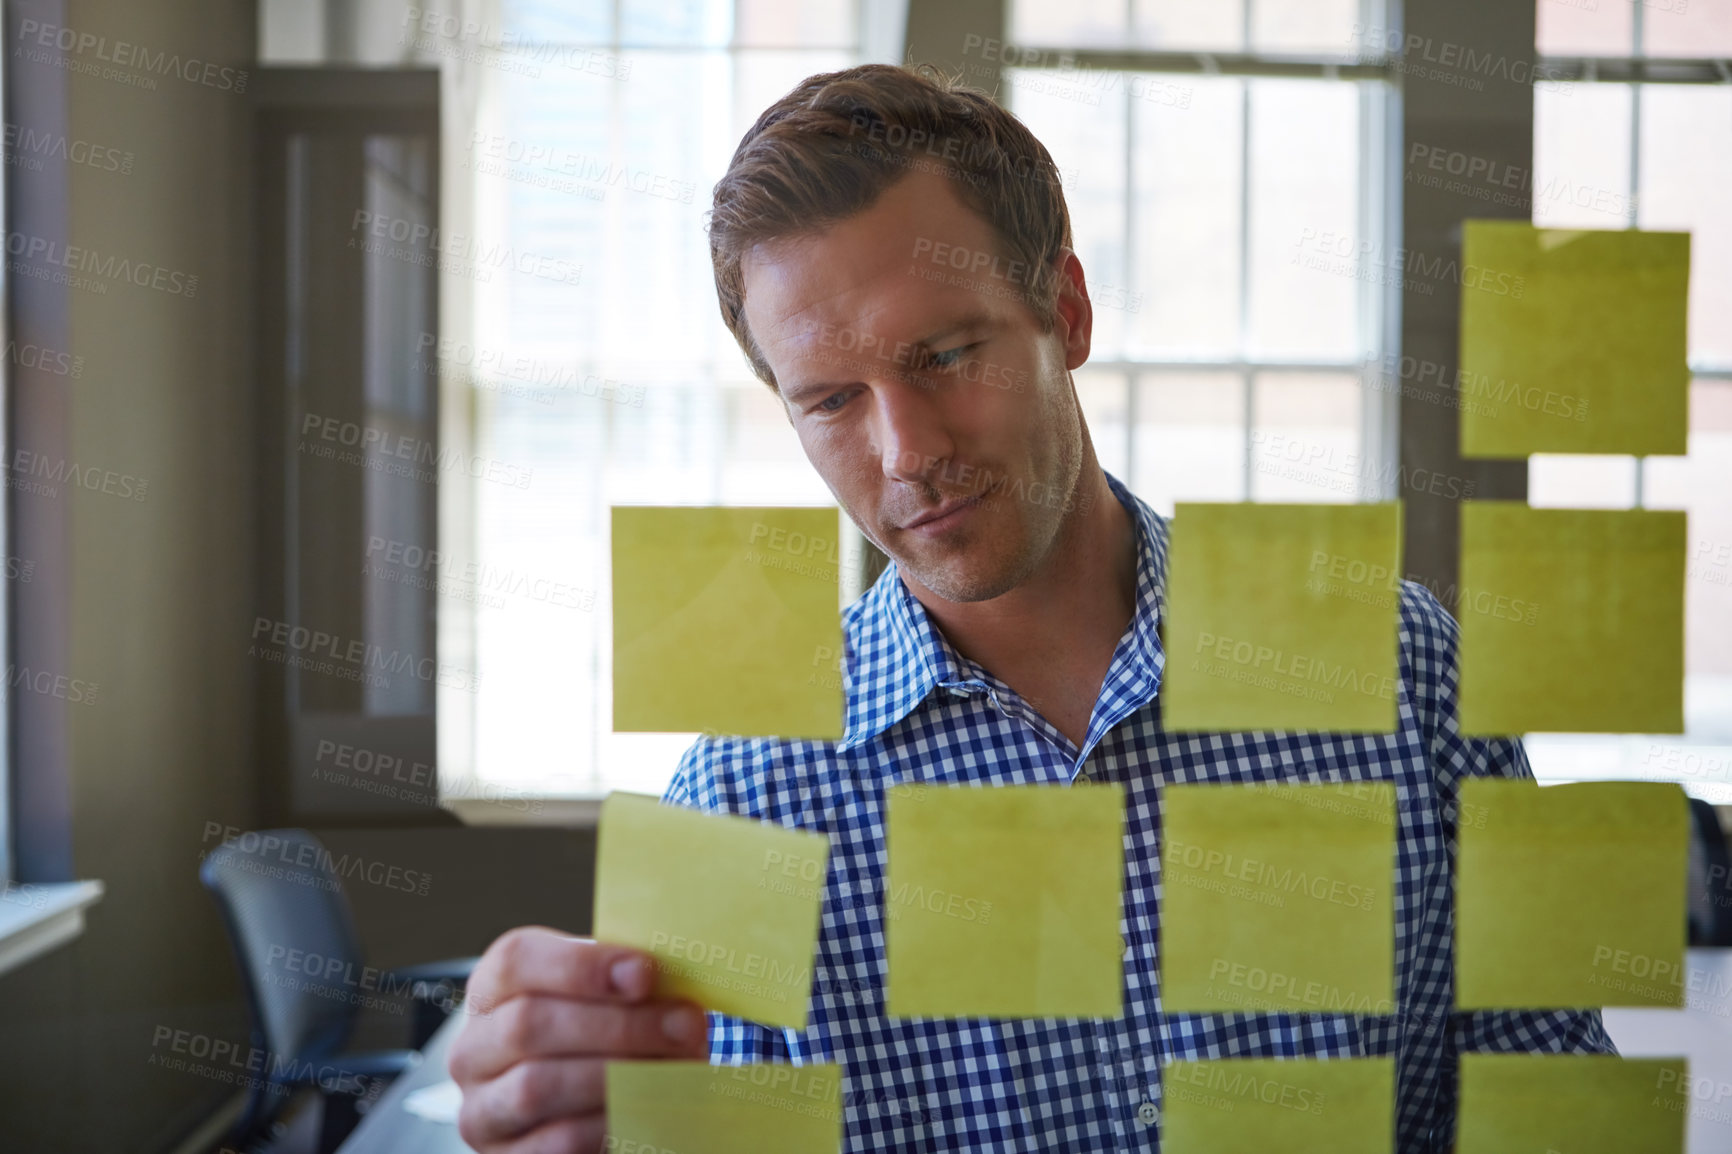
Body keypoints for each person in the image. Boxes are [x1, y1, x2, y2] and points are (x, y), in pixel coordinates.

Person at [448, 62, 1615, 1153]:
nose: (906, 452)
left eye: (947, 355)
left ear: (1065, 309)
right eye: (832, 400)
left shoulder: (1398, 667)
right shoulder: (744, 798)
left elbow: (1549, 1107)